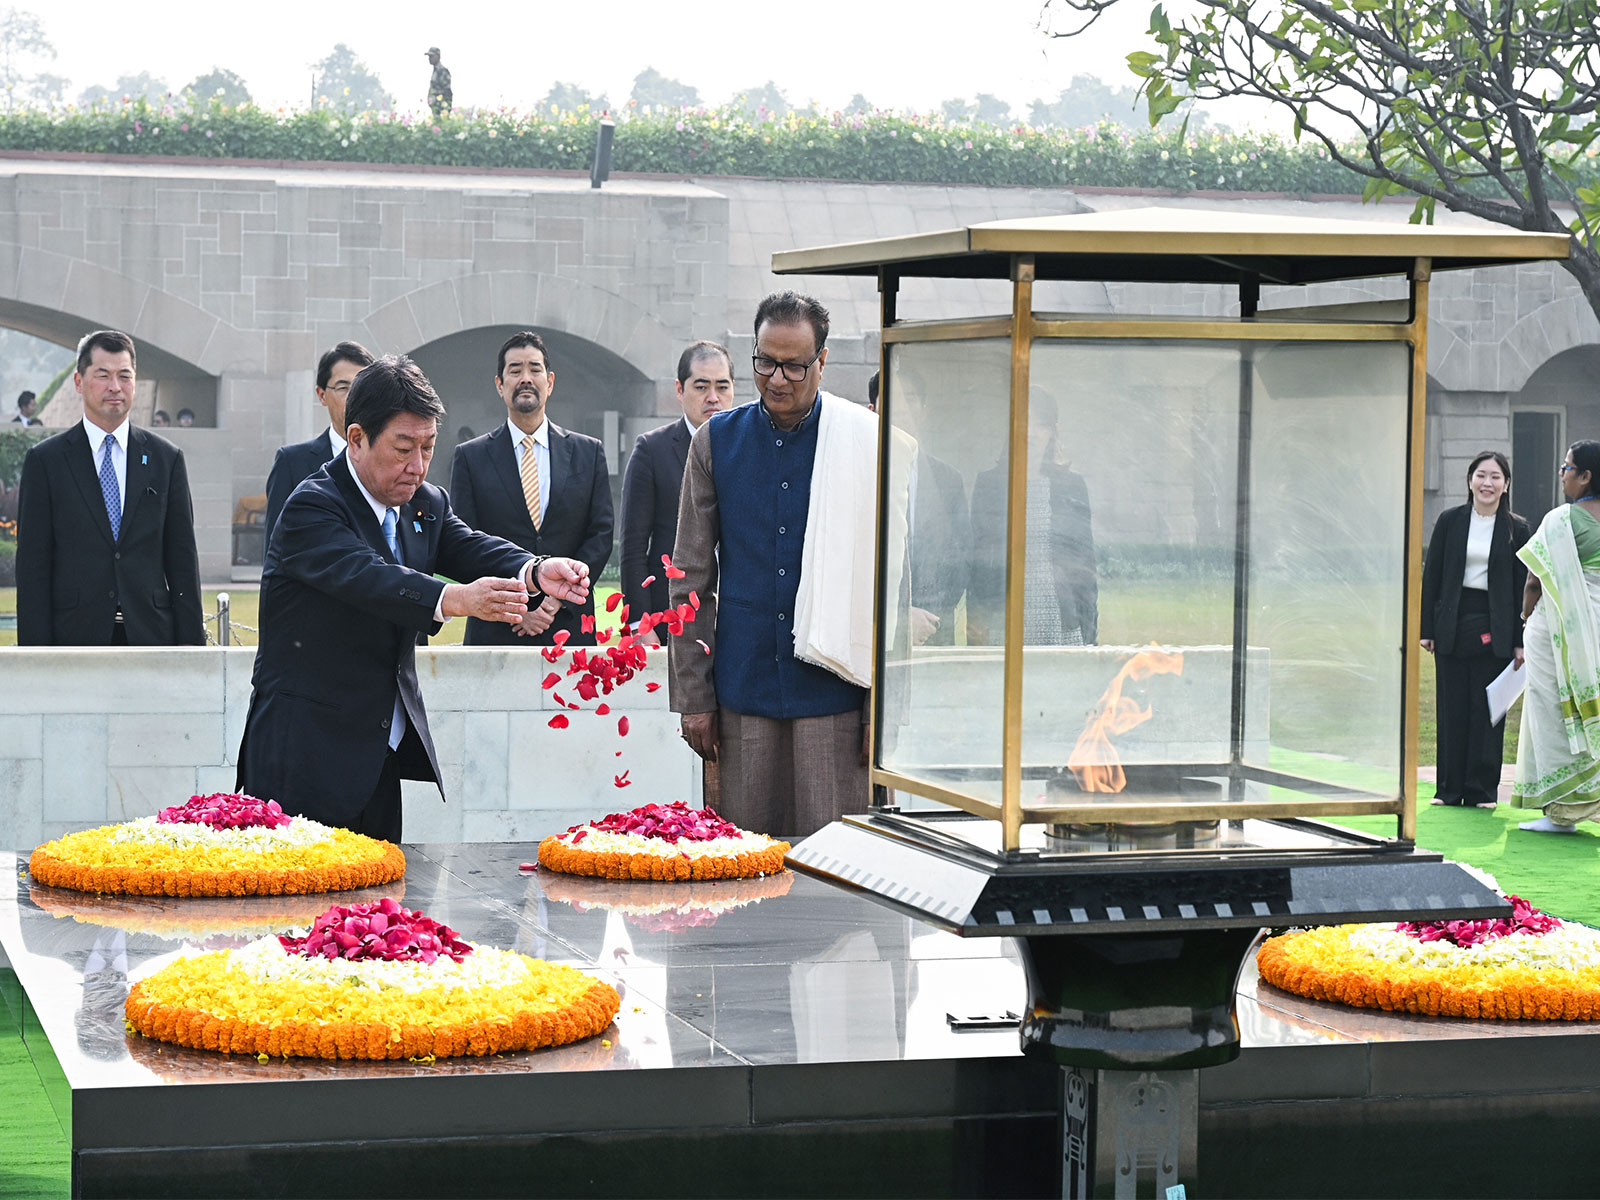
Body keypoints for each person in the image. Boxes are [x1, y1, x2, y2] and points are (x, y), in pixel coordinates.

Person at [236, 355, 590, 841]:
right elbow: (370, 578)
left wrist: (534, 570)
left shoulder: (424, 502)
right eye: (404, 448)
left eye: (428, 448)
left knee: (378, 911)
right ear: (356, 439)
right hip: (303, 754)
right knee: (296, 910)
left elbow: (469, 547)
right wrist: (458, 600)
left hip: (377, 755)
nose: (418, 467)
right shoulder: (312, 506)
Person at [669, 291, 874, 839]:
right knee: (742, 872)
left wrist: (885, 711)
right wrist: (694, 699)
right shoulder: (716, 442)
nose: (777, 379)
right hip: (744, 685)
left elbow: (886, 579)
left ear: (823, 362)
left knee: (840, 874)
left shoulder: (862, 442)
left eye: (794, 366)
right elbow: (689, 575)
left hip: (837, 690)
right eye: (764, 363)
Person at [16, 330, 204, 646]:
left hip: (151, 636)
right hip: (73, 638)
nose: (115, 387)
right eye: (103, 375)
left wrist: (194, 653)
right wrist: (35, 658)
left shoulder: (166, 459)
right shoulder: (46, 462)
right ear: (79, 381)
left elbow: (182, 561)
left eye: (124, 376)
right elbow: (33, 568)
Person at [449, 331, 613, 647]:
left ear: (549, 382)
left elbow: (601, 534)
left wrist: (558, 598)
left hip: (571, 625)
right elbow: (464, 541)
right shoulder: (470, 457)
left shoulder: (587, 452)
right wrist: (516, 607)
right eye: (515, 370)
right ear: (499, 384)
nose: (526, 378)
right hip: (496, 629)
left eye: (534, 369)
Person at [1420, 451, 1531, 808]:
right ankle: (1449, 789)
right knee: (1452, 707)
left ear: (1506, 484)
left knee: (1487, 709)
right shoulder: (1450, 521)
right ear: (1470, 481)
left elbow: (1520, 589)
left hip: (1495, 625)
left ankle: (1482, 790)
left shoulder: (1517, 527)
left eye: (1496, 477)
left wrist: (1519, 640)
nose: (1488, 483)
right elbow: (1431, 576)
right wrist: (1427, 628)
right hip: (1452, 621)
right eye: (1481, 475)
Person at [1511, 440, 1600, 834]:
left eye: (1566, 468)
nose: (1562, 474)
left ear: (1585, 477)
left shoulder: (1562, 520)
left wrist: (1526, 615)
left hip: (1559, 630)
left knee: (1553, 711)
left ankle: (1562, 812)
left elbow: (1534, 580)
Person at [967, 389, 1097, 646]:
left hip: (1061, 619)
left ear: (1052, 431)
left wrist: (1091, 634)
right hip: (1002, 620)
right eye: (1025, 422)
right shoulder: (989, 485)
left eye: (1042, 424)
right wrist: (976, 631)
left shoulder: (1072, 485)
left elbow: (1085, 566)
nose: (1032, 432)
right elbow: (977, 565)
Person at [621, 340, 733, 635]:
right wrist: (638, 624)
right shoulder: (652, 449)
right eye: (701, 387)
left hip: (736, 615)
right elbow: (633, 546)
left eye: (722, 387)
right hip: (670, 613)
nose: (713, 398)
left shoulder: (749, 448)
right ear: (680, 390)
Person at [264, 340, 374, 547]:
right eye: (343, 387)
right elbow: (275, 547)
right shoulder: (292, 462)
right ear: (322, 395)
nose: (354, 397)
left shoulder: (391, 459)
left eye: (362, 386)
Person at [425, 47, 452, 117]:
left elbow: (447, 91)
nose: (429, 59)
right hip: (435, 107)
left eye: (431, 56)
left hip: (441, 107)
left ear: (438, 56)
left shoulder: (442, 71)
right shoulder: (436, 71)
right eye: (429, 57)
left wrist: (446, 108)